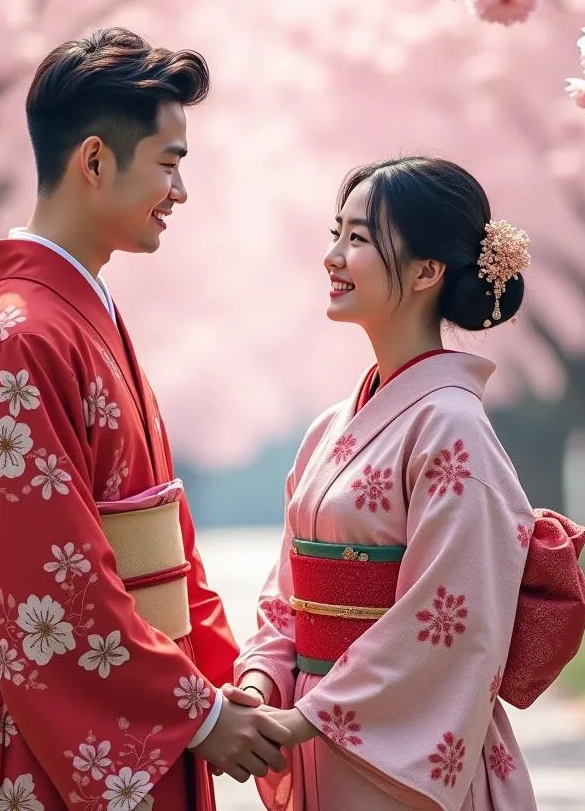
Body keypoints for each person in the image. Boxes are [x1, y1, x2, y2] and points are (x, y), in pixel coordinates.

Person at [0, 27, 291, 811]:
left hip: (147, 706)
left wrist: (230, 689)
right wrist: (198, 713)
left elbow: (165, 541)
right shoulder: (21, 335)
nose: (181, 192)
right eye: (169, 164)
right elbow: (47, 584)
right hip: (48, 739)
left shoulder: (73, 316)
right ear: (95, 161)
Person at [232, 156, 545, 811]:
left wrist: (313, 715)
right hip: (324, 734)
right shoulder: (328, 429)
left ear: (428, 272)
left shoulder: (453, 429)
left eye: (358, 239)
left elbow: (453, 620)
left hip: (398, 760)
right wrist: (263, 682)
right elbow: (289, 589)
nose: (331, 256)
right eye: (334, 232)